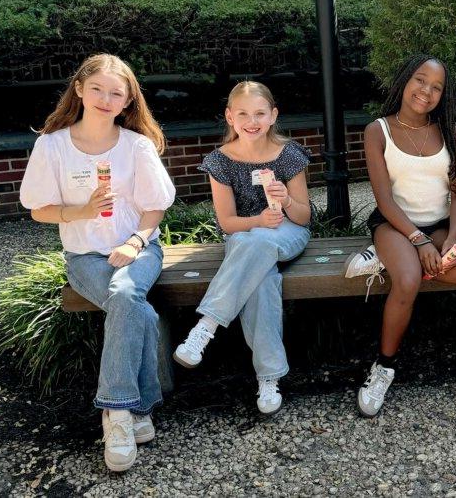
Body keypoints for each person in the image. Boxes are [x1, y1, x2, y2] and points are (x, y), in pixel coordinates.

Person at [19, 53, 175, 472]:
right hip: (84, 256)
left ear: (127, 102)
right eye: (98, 89)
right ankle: (139, 407)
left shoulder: (136, 145)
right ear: (80, 90)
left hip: (139, 250)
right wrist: (82, 211)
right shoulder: (52, 146)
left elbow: (155, 207)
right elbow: (38, 209)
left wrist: (136, 242)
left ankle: (116, 413)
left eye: (116, 93)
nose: (106, 99)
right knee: (136, 308)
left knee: (125, 291)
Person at [350, 54, 456, 417]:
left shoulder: (450, 131)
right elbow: (383, 199)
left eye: (436, 87)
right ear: (404, 80)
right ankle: (383, 366)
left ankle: (398, 260)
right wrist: (420, 241)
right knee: (409, 280)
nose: (426, 91)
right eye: (420, 80)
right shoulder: (377, 130)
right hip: (394, 223)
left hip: (440, 225)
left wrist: (451, 240)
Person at [172, 81, 312, 415]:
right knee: (261, 281)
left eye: (260, 113)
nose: (253, 121)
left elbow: (304, 217)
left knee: (260, 243)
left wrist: (286, 199)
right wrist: (258, 221)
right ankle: (269, 377)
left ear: (273, 115)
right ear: (230, 117)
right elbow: (227, 223)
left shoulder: (288, 153)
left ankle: (206, 326)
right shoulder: (221, 162)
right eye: (244, 114)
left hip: (287, 232)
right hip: (247, 237)